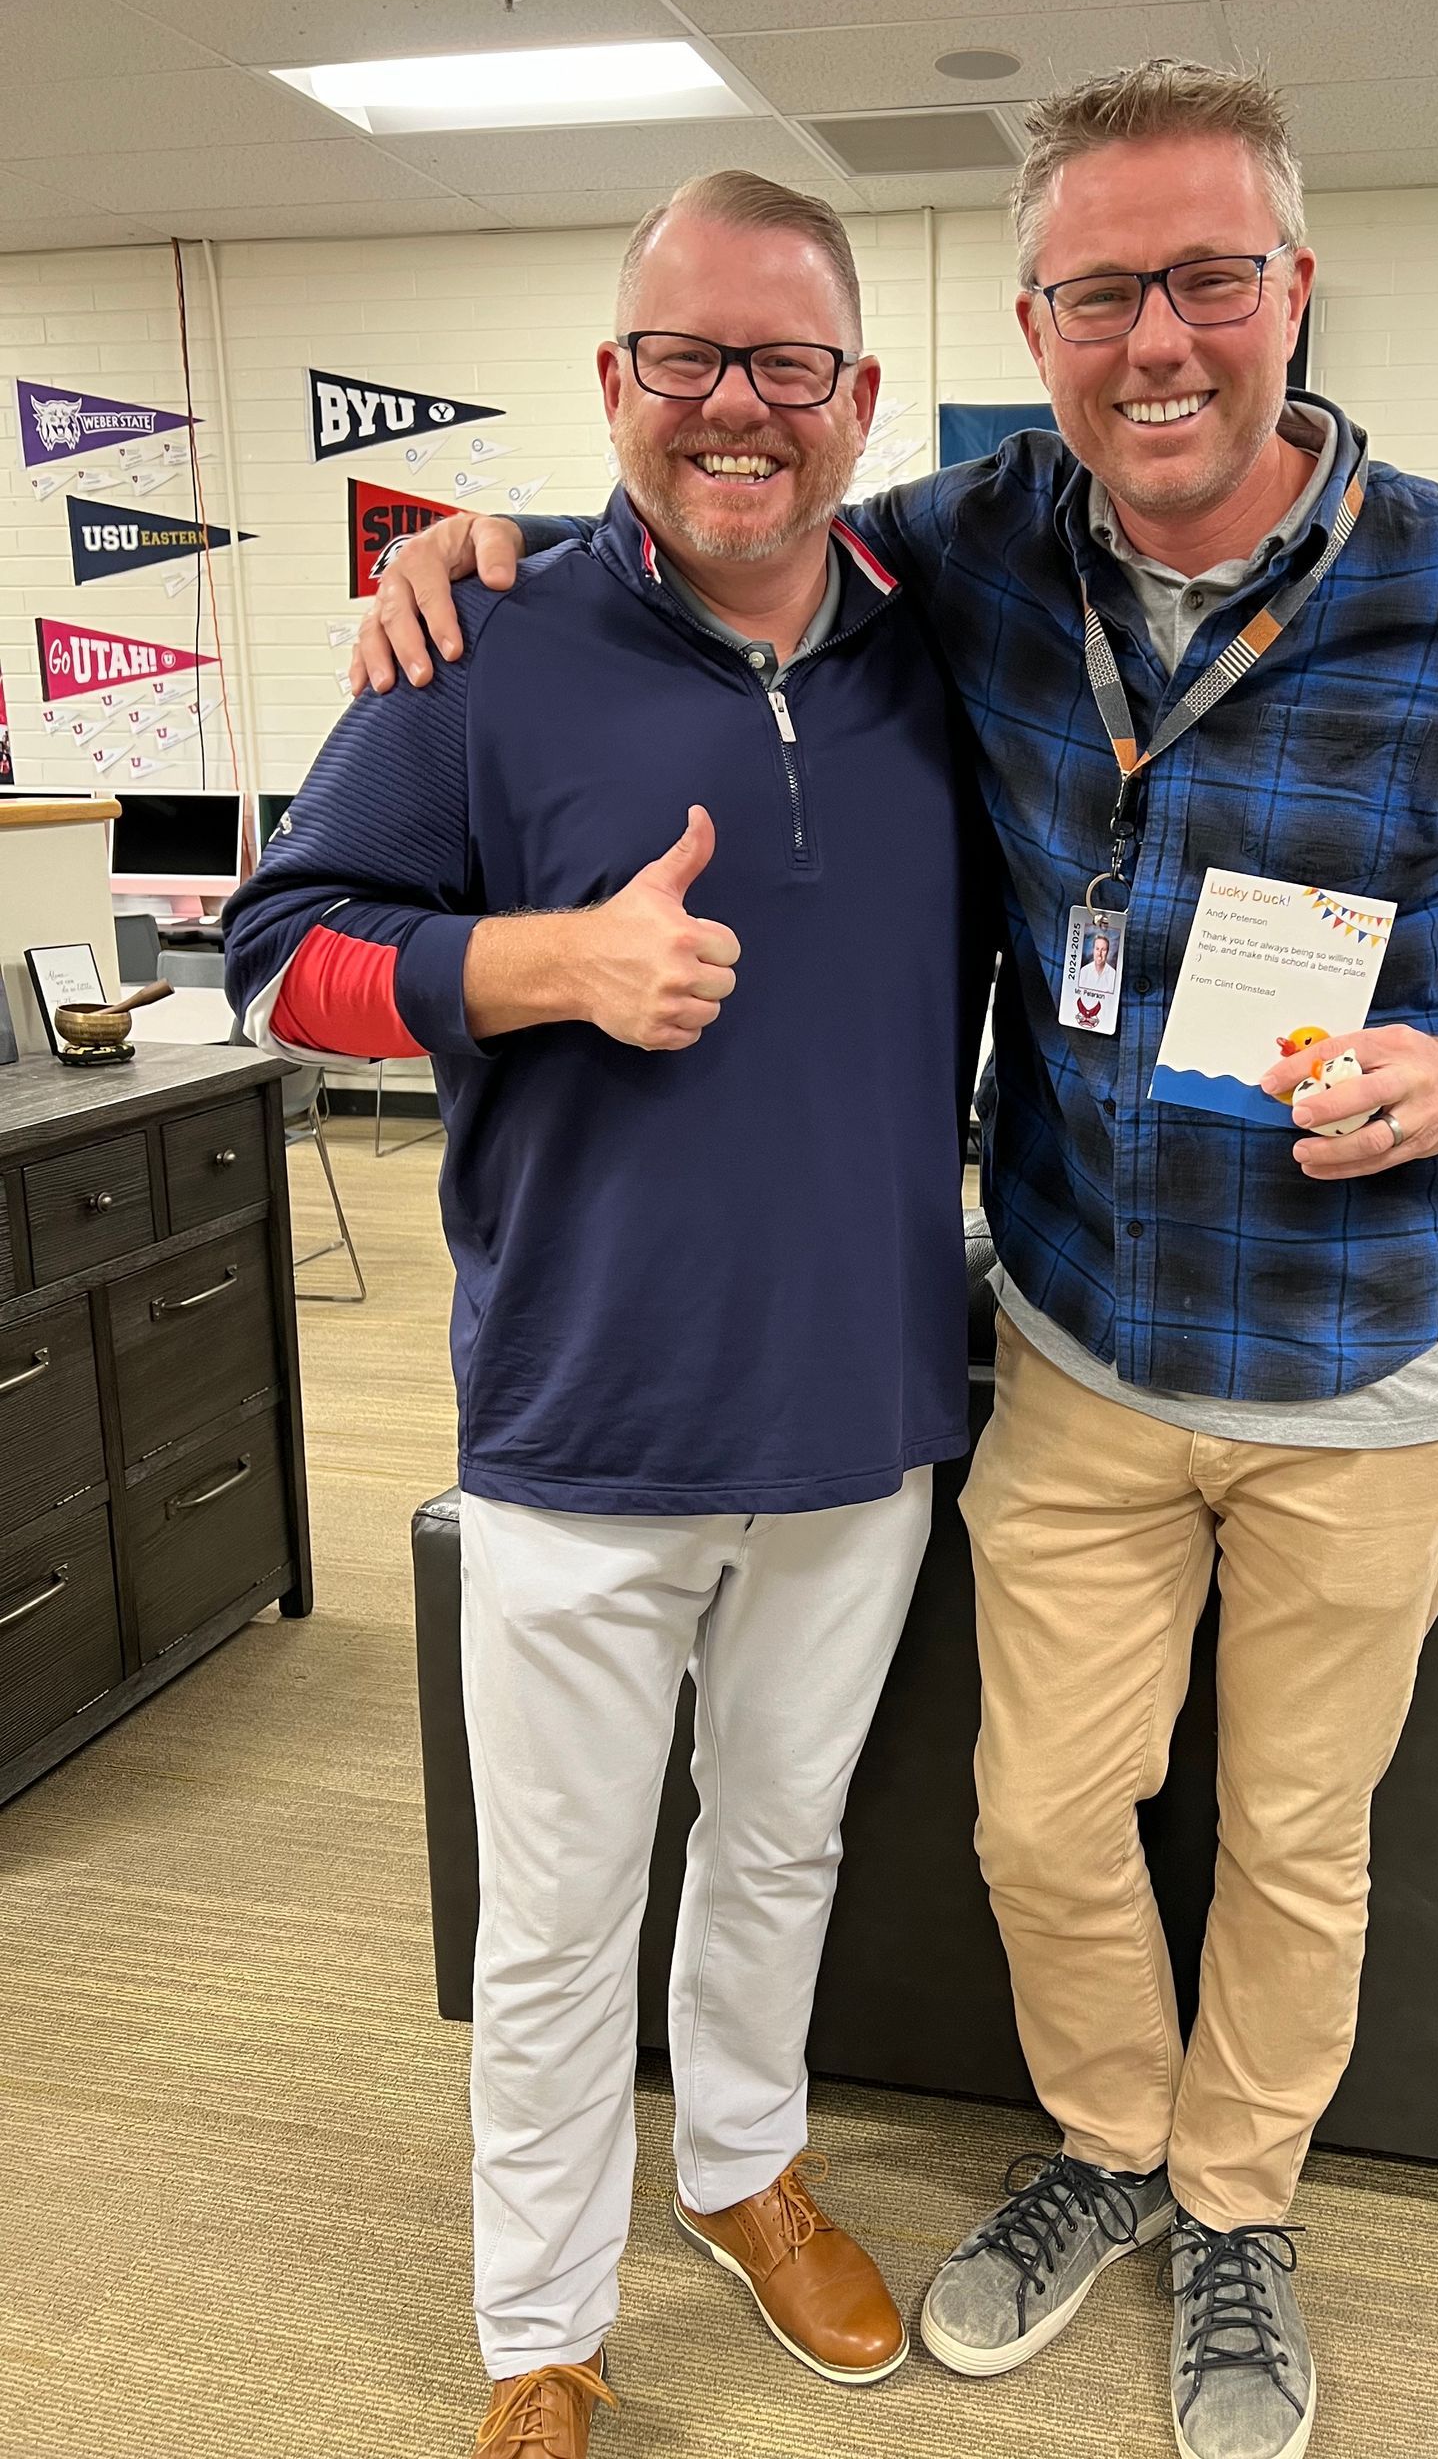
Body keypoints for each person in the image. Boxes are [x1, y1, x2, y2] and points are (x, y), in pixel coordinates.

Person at [352, 61, 1438, 2459]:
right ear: (1030, 322)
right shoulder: (962, 554)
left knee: (1291, 1843)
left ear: (1295, 289)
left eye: (1207, 277)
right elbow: (705, 503)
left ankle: (1237, 2210)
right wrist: (471, 549)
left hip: (1367, 1361)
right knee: (1033, 1821)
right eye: (1102, 290)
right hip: (1076, 1342)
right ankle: (1103, 2150)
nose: (1157, 337)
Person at [226, 173, 989, 2459]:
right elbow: (280, 955)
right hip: (581, 1410)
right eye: (685, 357)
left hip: (860, 1403)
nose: (735, 407)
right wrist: (531, 962)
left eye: (785, 363)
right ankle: (540, 2320)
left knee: (782, 1842)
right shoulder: (475, 651)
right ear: (611, 385)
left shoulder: (949, 643)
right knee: (556, 1918)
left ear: (858, 396)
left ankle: (745, 2166)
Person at [1072, 923, 1119, 1030]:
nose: (1100, 953)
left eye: (1103, 950)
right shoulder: (1084, 972)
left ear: (1108, 952)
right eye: (1097, 949)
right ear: (1093, 950)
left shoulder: (1113, 975)